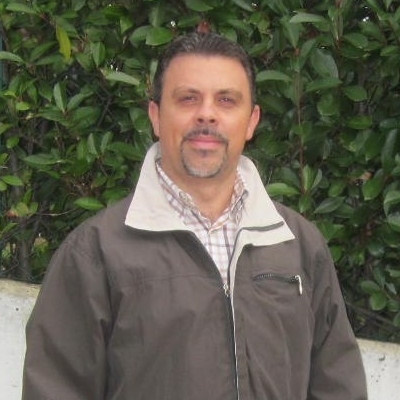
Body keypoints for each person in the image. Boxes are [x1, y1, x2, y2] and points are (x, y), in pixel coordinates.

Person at [22, 32, 368, 399]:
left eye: (226, 100)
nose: (207, 114)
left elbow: (338, 388)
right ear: (156, 116)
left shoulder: (298, 246)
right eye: (188, 98)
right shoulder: (95, 253)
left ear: (251, 121)